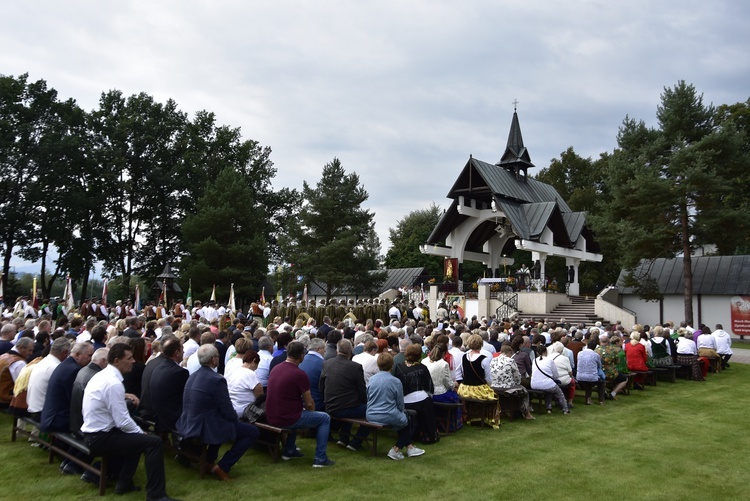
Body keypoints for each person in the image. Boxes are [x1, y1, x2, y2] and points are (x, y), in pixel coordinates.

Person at [81, 342, 179, 501]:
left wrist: (139, 433)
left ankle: (124, 484)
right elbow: (123, 421)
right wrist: (142, 434)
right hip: (99, 437)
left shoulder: (105, 376)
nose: (133, 361)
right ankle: (156, 494)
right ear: (117, 361)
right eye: (129, 358)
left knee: (138, 437)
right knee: (153, 442)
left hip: (97, 432)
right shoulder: (112, 382)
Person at [177, 344, 259, 481]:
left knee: (222, 422)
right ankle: (223, 466)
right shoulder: (216, 380)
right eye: (218, 357)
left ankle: (209, 460)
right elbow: (227, 410)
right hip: (203, 426)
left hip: (188, 422)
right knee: (252, 432)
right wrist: (235, 420)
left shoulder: (193, 375)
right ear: (214, 360)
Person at [265, 341, 334, 467]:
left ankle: (289, 450)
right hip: (286, 417)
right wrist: (311, 413)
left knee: (299, 412)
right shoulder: (299, 374)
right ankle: (320, 458)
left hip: (271, 414)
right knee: (324, 418)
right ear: (302, 355)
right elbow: (309, 403)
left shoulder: (276, 368)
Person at [366, 353, 425, 461]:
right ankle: (396, 449)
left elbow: (368, 396)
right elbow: (400, 404)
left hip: (371, 414)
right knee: (409, 419)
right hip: (387, 414)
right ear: (392, 365)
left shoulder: (372, 379)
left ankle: (410, 447)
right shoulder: (395, 381)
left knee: (403, 418)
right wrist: (401, 413)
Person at [319, 339, 370, 451]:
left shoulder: (327, 363)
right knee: (373, 411)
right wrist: (366, 403)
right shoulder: (355, 367)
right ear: (350, 351)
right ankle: (356, 442)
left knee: (352, 404)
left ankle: (344, 437)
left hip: (330, 405)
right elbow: (362, 391)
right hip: (342, 407)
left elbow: (321, 387)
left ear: (337, 350)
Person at [456, 334, 500, 427]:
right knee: (494, 396)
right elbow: (488, 378)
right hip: (478, 389)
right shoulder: (484, 359)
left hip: (465, 389)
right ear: (481, 344)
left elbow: (463, 372)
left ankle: (472, 417)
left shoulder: (464, 356)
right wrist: (491, 387)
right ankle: (490, 419)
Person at [149, 338, 189, 434]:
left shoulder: (158, 367)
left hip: (158, 414)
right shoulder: (180, 372)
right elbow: (187, 397)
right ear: (177, 353)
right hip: (171, 417)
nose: (184, 352)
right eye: (182, 349)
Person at [27, 337, 71, 419]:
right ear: (65, 352)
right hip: (42, 411)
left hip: (33, 407)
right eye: (68, 354)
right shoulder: (55, 367)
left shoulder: (44, 361)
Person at [422, 343, 463, 429]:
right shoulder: (443, 364)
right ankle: (453, 424)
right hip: (439, 393)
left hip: (427, 392)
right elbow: (448, 382)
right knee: (456, 397)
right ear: (444, 353)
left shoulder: (424, 361)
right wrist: (454, 384)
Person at [489, 344, 534, 420]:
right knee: (524, 392)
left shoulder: (493, 360)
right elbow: (517, 377)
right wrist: (517, 382)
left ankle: (506, 411)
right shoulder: (511, 360)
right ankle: (526, 413)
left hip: (494, 386)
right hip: (507, 387)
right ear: (510, 352)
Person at [531, 344, 570, 414]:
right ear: (546, 351)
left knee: (549, 390)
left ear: (537, 353)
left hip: (534, 384)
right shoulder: (549, 361)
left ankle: (549, 408)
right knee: (559, 393)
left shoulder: (534, 360)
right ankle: (565, 409)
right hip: (546, 384)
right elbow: (555, 375)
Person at [226, 349, 263, 419]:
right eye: (257, 365)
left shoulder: (235, 371)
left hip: (233, 408)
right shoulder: (250, 374)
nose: (256, 368)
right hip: (245, 410)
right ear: (254, 361)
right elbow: (260, 396)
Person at [0, 337, 33, 407]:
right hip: (7, 400)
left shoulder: (3, 356)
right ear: (21, 347)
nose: (31, 353)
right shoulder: (19, 363)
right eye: (29, 350)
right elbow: (23, 385)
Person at [299, 338, 326, 411]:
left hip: (301, 402)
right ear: (318, 349)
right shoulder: (323, 364)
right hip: (317, 403)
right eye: (324, 349)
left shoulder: (300, 360)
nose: (325, 351)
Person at [576, 340, 606, 405]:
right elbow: (599, 366)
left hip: (580, 376)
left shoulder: (580, 353)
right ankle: (601, 400)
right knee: (601, 383)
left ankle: (588, 398)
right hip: (591, 377)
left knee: (588, 383)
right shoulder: (596, 355)